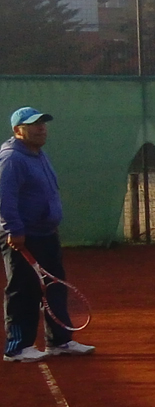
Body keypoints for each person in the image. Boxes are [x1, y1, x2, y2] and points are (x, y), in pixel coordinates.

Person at [0, 107, 95, 362]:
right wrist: (15, 230)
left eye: (43, 123)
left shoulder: (38, 154)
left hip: (46, 233)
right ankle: (18, 347)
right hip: (23, 236)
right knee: (23, 289)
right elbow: (5, 199)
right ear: (18, 130)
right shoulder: (11, 158)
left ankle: (60, 341)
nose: (41, 128)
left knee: (54, 286)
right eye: (33, 124)